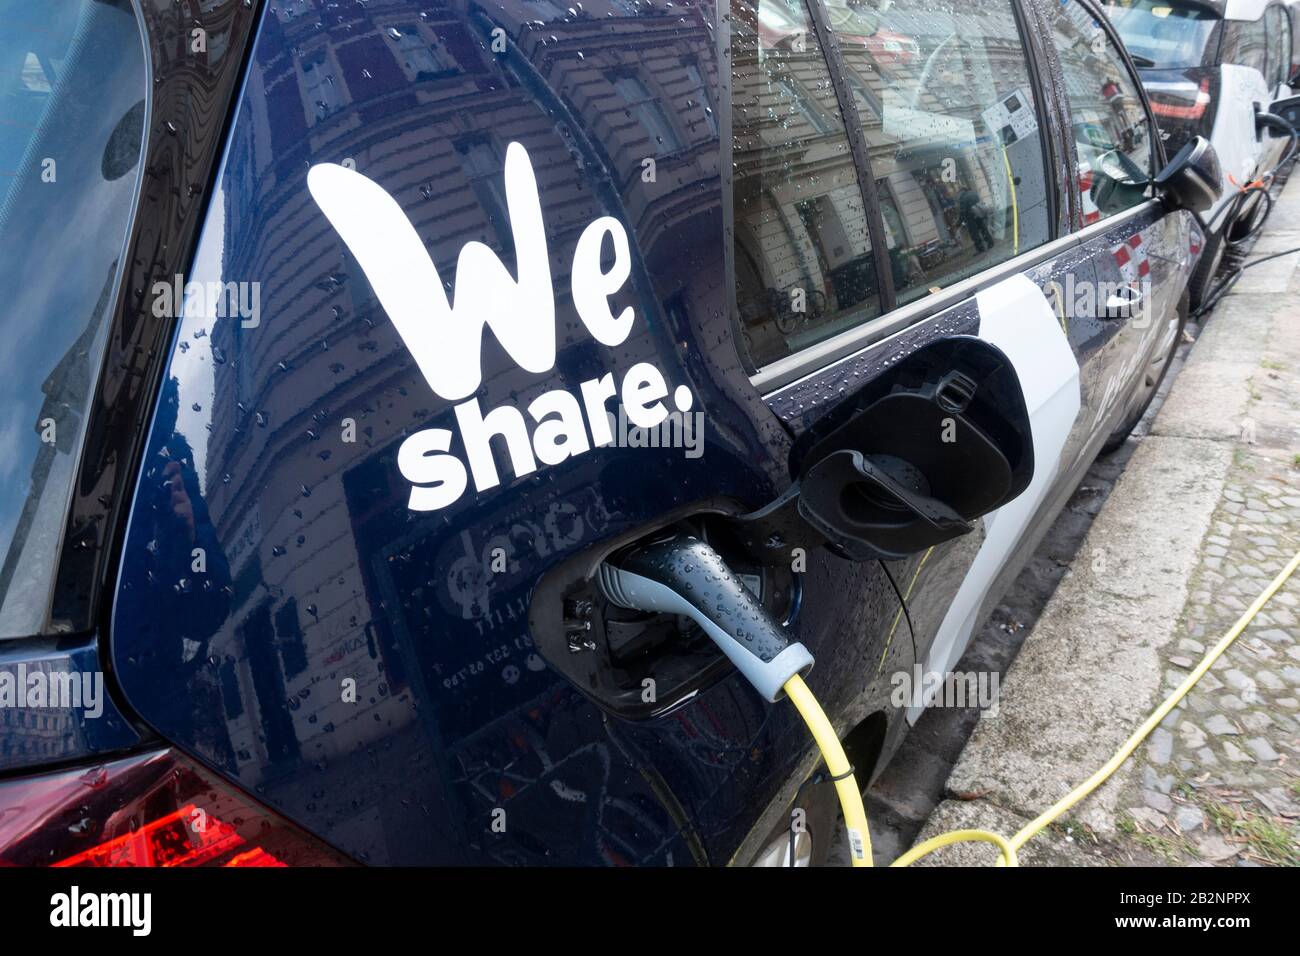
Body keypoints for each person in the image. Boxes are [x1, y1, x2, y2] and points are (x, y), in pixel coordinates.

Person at [958, 185, 993, 253]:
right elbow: (978, 201)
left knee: (974, 234)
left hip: (970, 217)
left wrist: (959, 222)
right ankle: (990, 243)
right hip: (978, 213)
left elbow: (963, 211)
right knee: (983, 229)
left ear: (961, 191)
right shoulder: (973, 193)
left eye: (959, 192)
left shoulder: (963, 197)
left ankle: (980, 248)